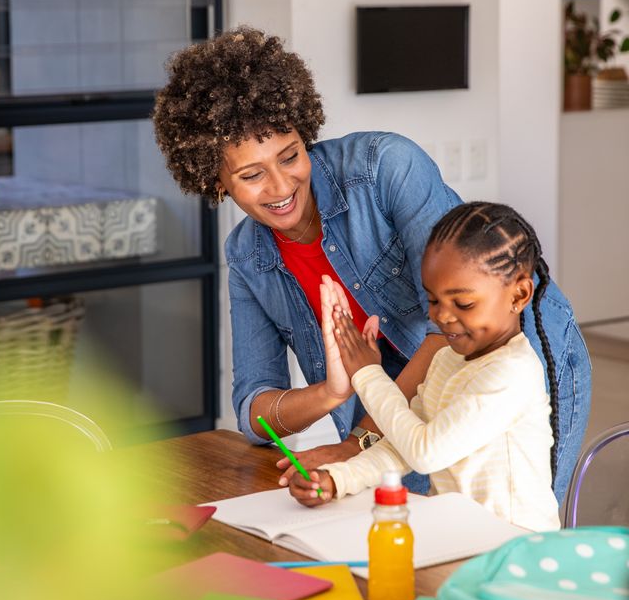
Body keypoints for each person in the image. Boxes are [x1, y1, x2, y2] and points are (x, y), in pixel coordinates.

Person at [153, 26, 591, 501]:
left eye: (290, 155)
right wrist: (332, 392)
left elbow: (446, 326)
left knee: (511, 516)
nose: (280, 187)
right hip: (393, 401)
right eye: (252, 174)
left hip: (498, 356)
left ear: (305, 132)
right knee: (427, 533)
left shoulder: (385, 168)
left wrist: (359, 438)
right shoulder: (247, 257)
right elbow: (256, 413)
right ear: (216, 183)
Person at [287, 204, 562, 532]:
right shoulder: (448, 358)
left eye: (463, 304)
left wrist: (367, 374)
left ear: (519, 294)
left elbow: (425, 452)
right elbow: (401, 445)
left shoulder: (510, 373)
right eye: (433, 301)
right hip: (458, 541)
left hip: (513, 551)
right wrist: (338, 479)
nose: (442, 316)